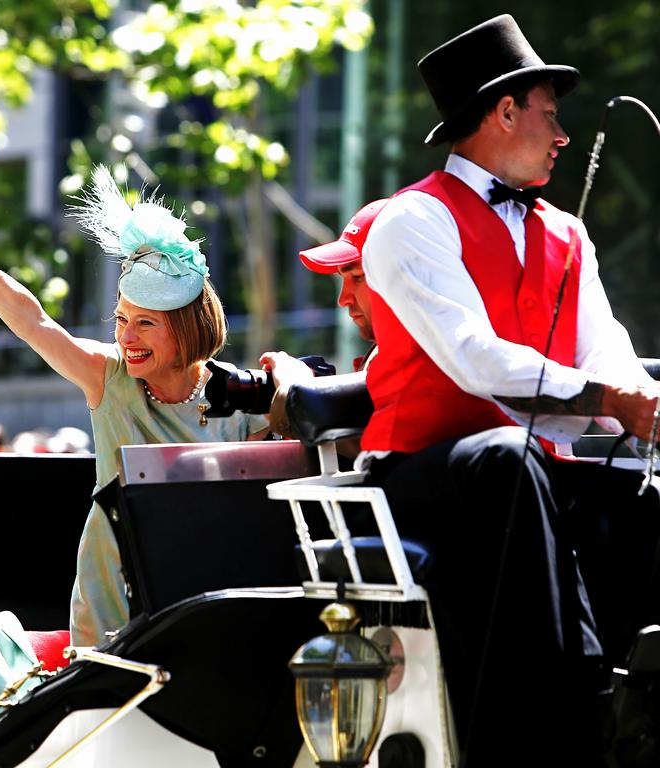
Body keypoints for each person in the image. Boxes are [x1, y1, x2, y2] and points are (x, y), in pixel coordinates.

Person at [355, 14, 660, 765]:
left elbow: (606, 346)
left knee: (637, 476)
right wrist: (606, 399)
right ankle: (577, 694)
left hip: (537, 460)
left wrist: (638, 406)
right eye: (550, 113)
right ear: (503, 111)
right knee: (506, 459)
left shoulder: (568, 233)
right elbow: (476, 361)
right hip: (423, 469)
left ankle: (641, 689)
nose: (562, 134)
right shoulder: (412, 221)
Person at [0, 168, 270, 646]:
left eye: (145, 323)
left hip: (201, 607)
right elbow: (36, 324)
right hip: (108, 606)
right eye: (122, 318)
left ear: (187, 326)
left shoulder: (242, 398)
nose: (126, 335)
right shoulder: (109, 374)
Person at [264, 198, 388, 441]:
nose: (343, 299)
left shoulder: (422, 353)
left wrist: (296, 386)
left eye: (357, 277)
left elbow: (366, 449)